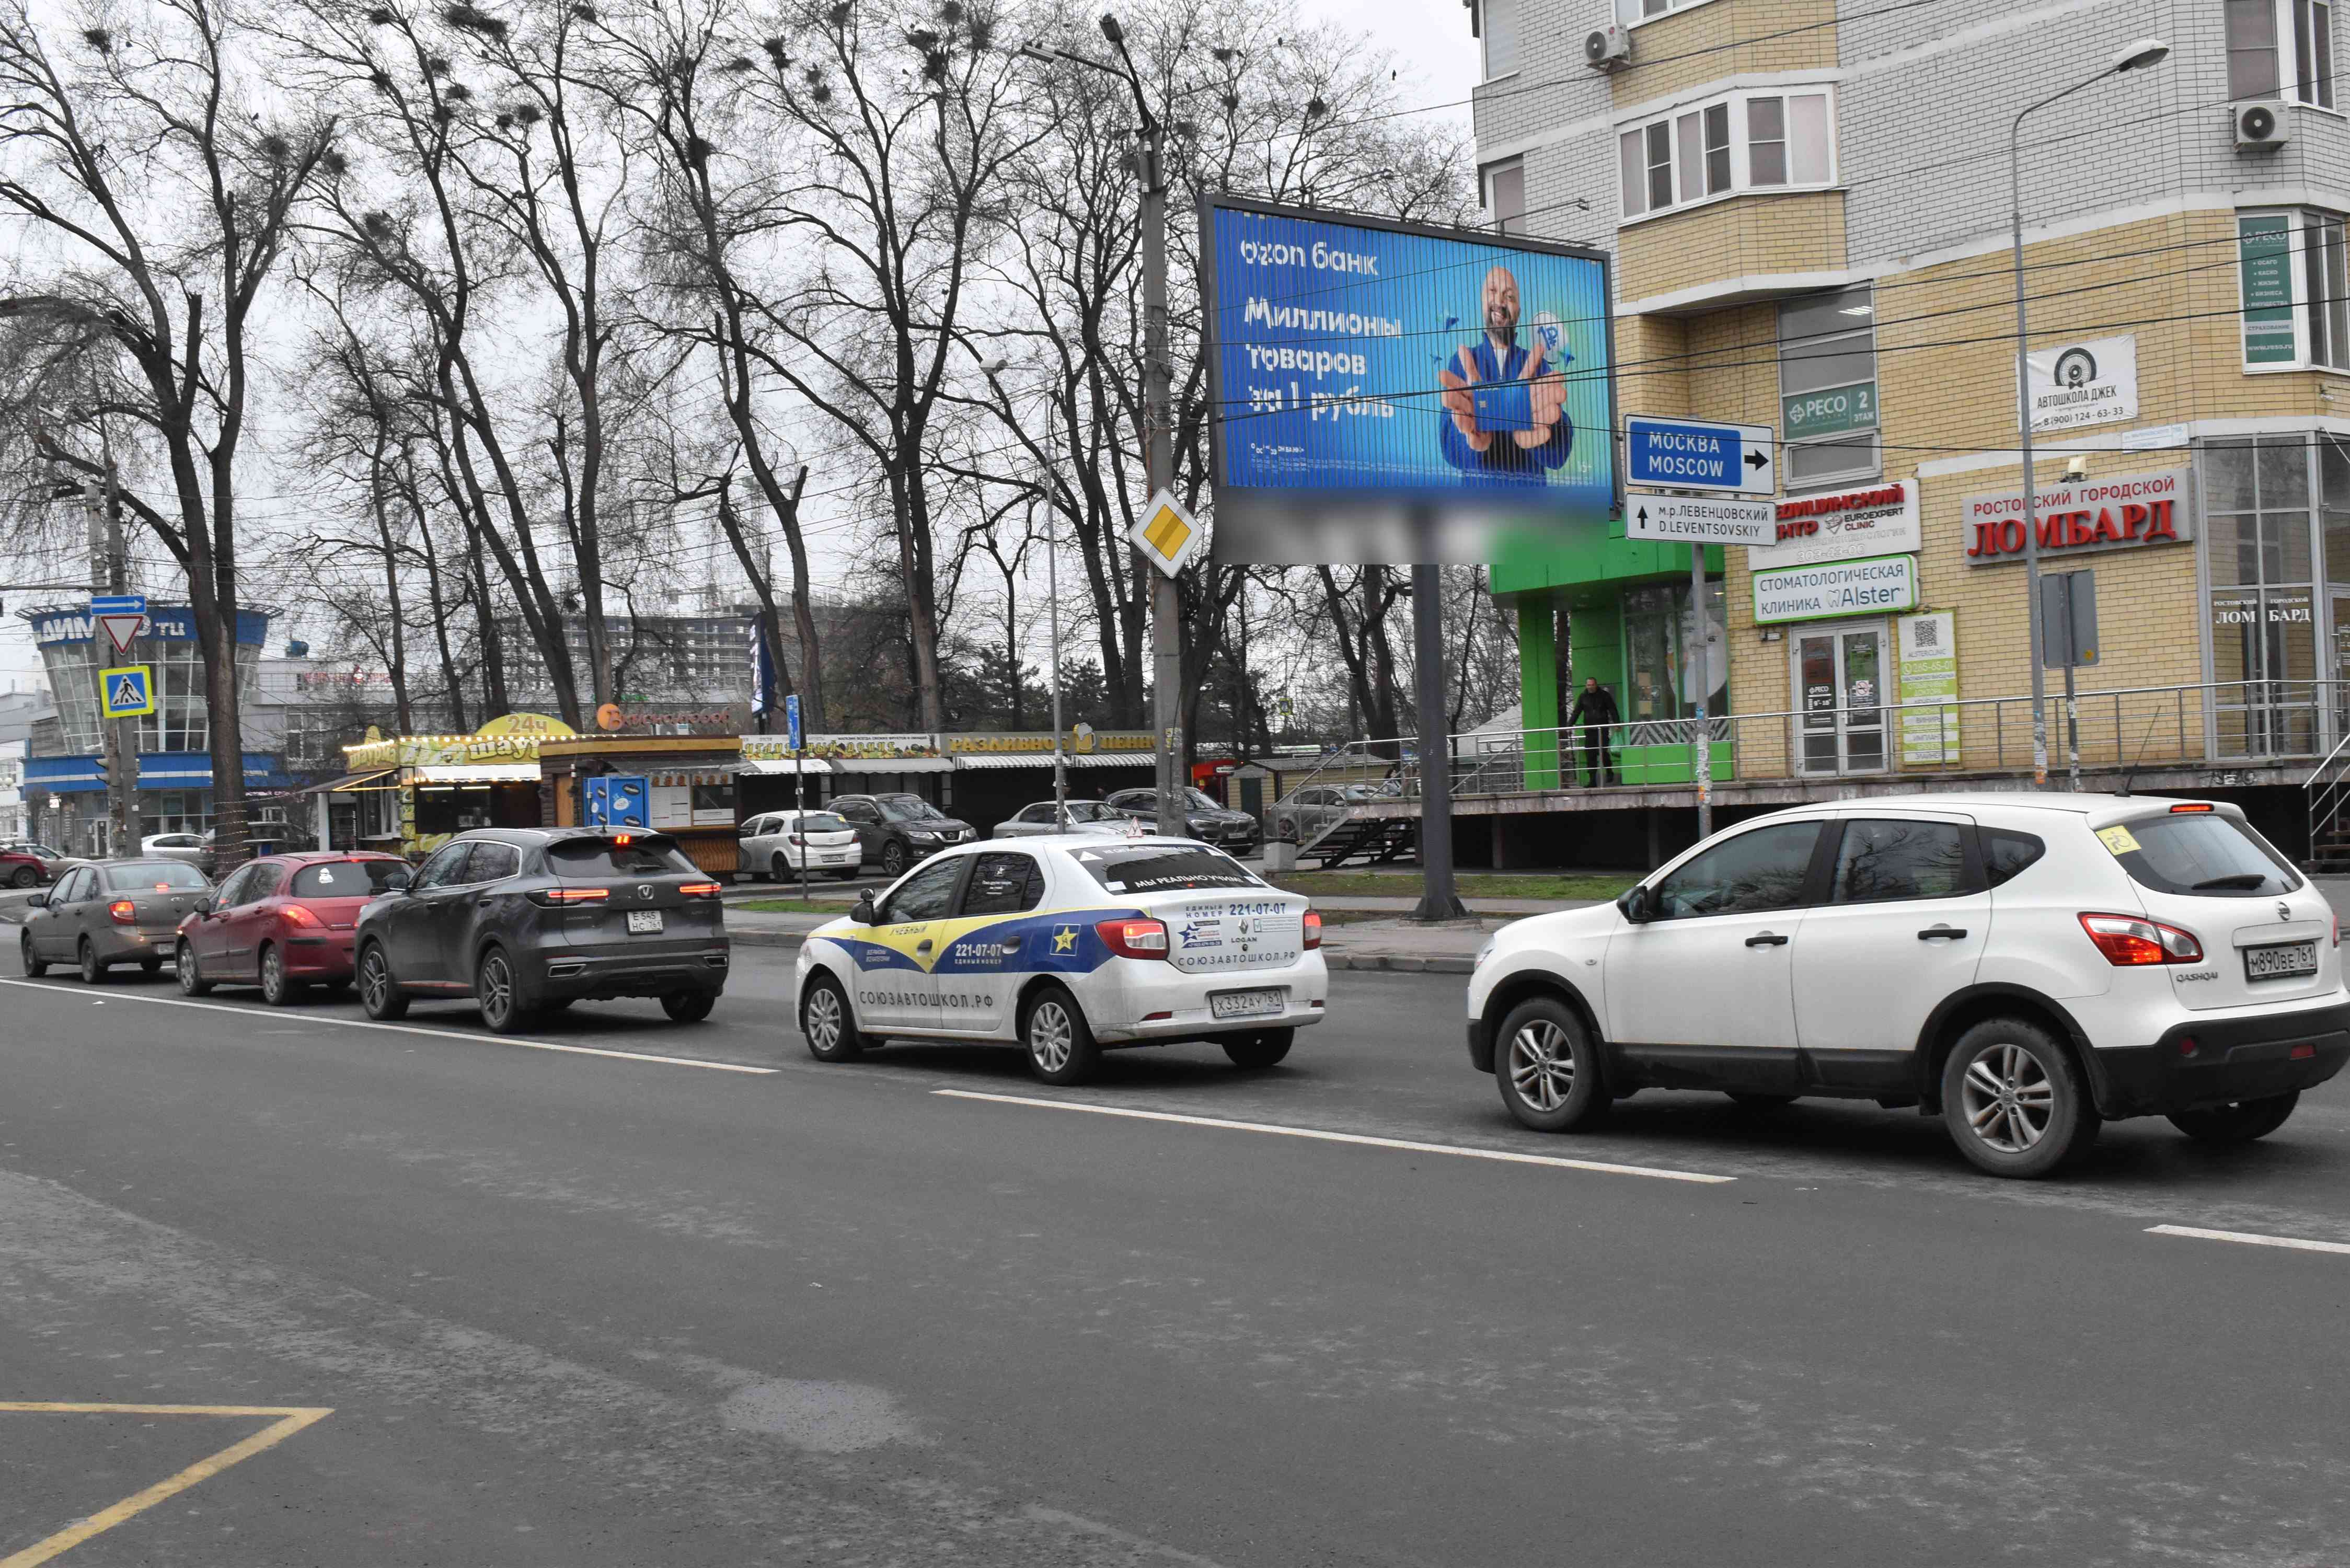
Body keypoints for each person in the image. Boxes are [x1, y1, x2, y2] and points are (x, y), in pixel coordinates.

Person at [1435, 264, 1574, 484]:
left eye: (1509, 296)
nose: (1500, 301)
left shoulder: (1537, 366)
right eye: (1492, 291)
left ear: (1518, 310)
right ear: (1482, 303)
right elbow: (1450, 449)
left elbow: (1559, 454)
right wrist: (1472, 435)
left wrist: (1540, 438)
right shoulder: (1462, 362)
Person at [1566, 676, 1620, 787]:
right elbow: (1576, 712)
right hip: (1590, 730)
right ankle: (1592, 780)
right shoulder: (1583, 697)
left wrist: (1617, 723)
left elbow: (1613, 710)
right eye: (1588, 685)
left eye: (1592, 685)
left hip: (1603, 729)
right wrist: (1569, 726)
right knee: (1590, 755)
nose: (1590, 687)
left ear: (1596, 685)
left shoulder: (1604, 695)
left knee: (1603, 752)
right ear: (1586, 686)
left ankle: (1609, 771)